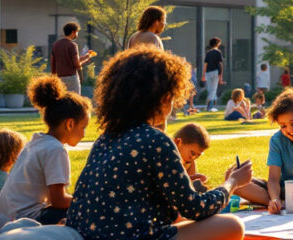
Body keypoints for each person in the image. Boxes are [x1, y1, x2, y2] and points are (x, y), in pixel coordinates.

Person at [66, 47, 251, 240]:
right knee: (232, 225)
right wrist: (232, 182)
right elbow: (195, 209)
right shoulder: (156, 140)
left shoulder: (105, 139)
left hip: (88, 235)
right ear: (165, 98)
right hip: (133, 235)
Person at [0, 76, 90, 230]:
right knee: (85, 211)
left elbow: (52, 198)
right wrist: (87, 201)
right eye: (83, 127)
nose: (84, 134)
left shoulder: (35, 142)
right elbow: (58, 201)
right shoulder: (56, 149)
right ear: (70, 124)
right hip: (22, 222)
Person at [50, 22, 93, 95]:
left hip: (59, 78)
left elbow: (52, 63)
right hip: (71, 78)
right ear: (73, 32)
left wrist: (54, 77)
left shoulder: (55, 45)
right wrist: (86, 59)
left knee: (61, 99)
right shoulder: (72, 45)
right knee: (75, 100)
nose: (77, 34)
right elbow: (76, 63)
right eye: (77, 32)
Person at [173, 123, 211, 192]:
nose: (193, 158)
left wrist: (194, 179)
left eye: (198, 155)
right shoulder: (168, 157)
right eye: (192, 153)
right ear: (179, 143)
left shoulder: (190, 162)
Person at [203, 37, 225, 111]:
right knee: (213, 89)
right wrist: (221, 76)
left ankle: (212, 106)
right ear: (216, 44)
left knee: (210, 89)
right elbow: (220, 64)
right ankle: (209, 106)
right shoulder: (218, 52)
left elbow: (205, 65)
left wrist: (203, 75)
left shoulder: (208, 53)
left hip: (208, 72)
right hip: (215, 72)